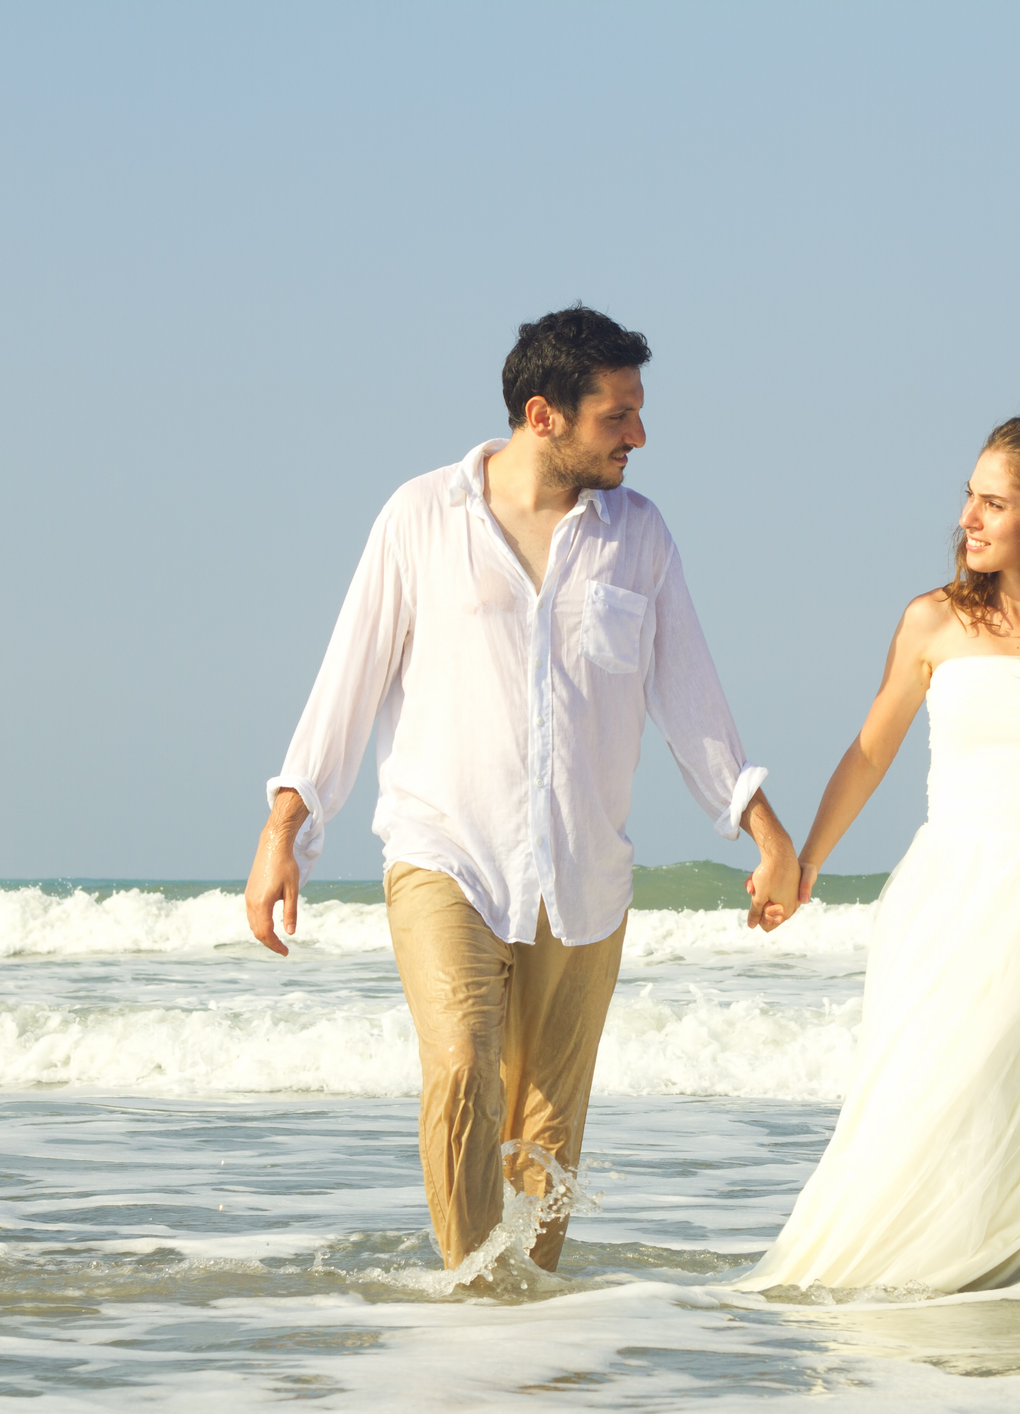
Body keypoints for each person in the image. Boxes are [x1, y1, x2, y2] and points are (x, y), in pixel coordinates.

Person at [243, 306, 800, 1276]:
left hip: (582, 874)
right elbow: (349, 677)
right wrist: (285, 826)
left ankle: (527, 1326)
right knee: (461, 1066)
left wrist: (765, 831)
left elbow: (692, 697)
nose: (638, 435)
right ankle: (469, 1302)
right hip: (444, 848)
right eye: (616, 415)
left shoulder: (640, 537)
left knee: (545, 1123)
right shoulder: (421, 516)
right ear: (543, 415)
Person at [738, 414, 1020, 1294]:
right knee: (935, 1090)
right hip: (951, 891)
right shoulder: (931, 621)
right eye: (968, 498)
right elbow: (868, 753)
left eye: (992, 501)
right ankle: (897, 1278)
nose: (967, 518)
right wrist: (805, 865)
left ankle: (993, 1284)